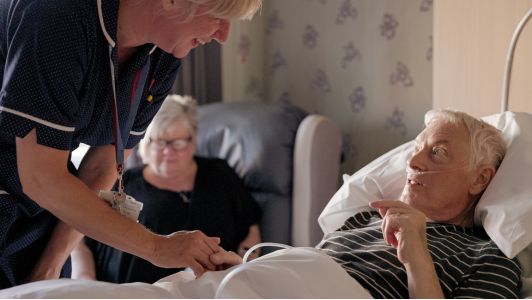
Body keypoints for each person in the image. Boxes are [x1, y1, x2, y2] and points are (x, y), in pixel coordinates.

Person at [0, 0, 262, 288]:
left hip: (39, 210)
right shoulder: (57, 14)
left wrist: (48, 268)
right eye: (216, 17)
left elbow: (103, 165)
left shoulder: (163, 53)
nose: (224, 36)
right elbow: (41, 177)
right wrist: (157, 247)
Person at [210, 109, 521, 298]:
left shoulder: (490, 260)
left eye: (437, 153)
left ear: (480, 179)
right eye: (416, 149)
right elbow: (308, 275)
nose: (412, 162)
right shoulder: (365, 218)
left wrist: (417, 258)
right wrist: (249, 270)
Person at [71, 95, 262, 283]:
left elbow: (250, 229)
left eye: (178, 143)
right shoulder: (122, 182)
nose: (169, 152)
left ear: (193, 141)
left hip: (213, 290)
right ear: (145, 143)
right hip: (132, 293)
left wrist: (242, 273)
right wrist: (85, 279)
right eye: (160, 142)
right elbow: (81, 239)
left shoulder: (220, 174)